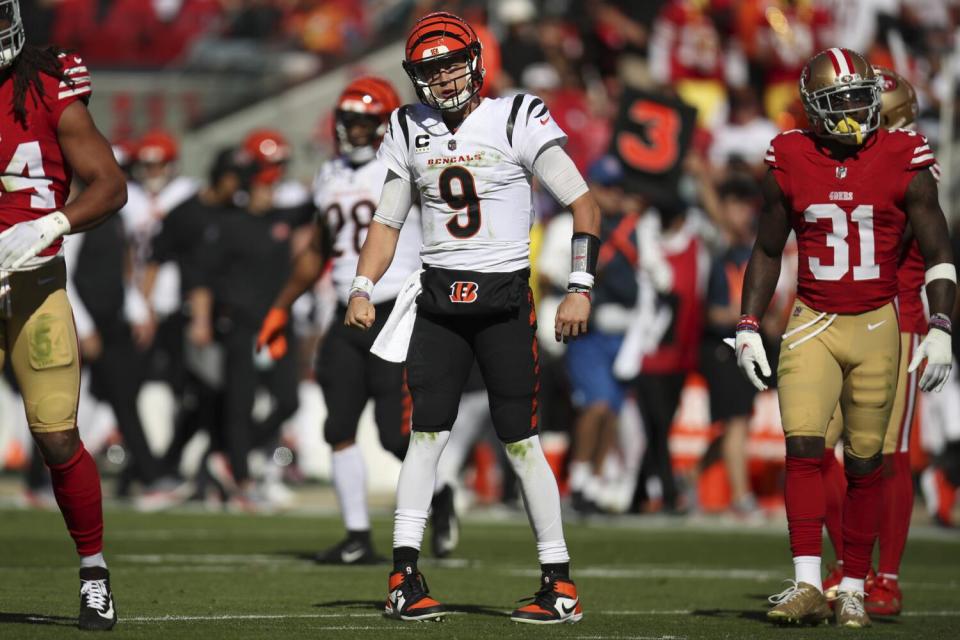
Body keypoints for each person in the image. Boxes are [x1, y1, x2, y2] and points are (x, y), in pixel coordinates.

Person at [345, 11, 598, 624]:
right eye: (430, 68)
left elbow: (584, 203)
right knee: (424, 437)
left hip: (504, 299)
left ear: (477, 61)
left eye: (452, 62)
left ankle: (558, 583)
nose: (444, 76)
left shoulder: (516, 116)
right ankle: (404, 575)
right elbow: (387, 221)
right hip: (436, 301)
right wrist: (361, 284)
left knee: (520, 440)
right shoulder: (408, 126)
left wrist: (581, 286)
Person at [734, 48, 955, 628]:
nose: (856, 109)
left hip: (881, 321)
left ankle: (856, 582)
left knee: (867, 461)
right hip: (812, 318)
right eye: (841, 100)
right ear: (812, 108)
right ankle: (809, 582)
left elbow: (939, 252)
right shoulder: (789, 154)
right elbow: (765, 248)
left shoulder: (905, 153)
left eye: (863, 97)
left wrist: (942, 326)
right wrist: (749, 324)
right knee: (803, 447)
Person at [257, 76, 421, 561]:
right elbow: (318, 251)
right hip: (347, 308)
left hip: (398, 305)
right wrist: (280, 306)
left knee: (396, 434)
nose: (351, 131)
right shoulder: (328, 175)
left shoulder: (406, 166)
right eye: (346, 120)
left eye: (362, 122)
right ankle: (357, 536)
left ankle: (441, 494)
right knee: (339, 426)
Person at [0, 2, 126, 629]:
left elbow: (109, 183)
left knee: (55, 435)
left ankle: (94, 572)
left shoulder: (48, 84)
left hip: (32, 283)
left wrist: (51, 222)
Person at [819, 67, 935, 616]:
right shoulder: (856, 157)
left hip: (898, 319)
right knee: (814, 448)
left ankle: (883, 577)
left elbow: (894, 239)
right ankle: (850, 563)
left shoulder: (909, 161)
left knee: (886, 456)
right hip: (840, 317)